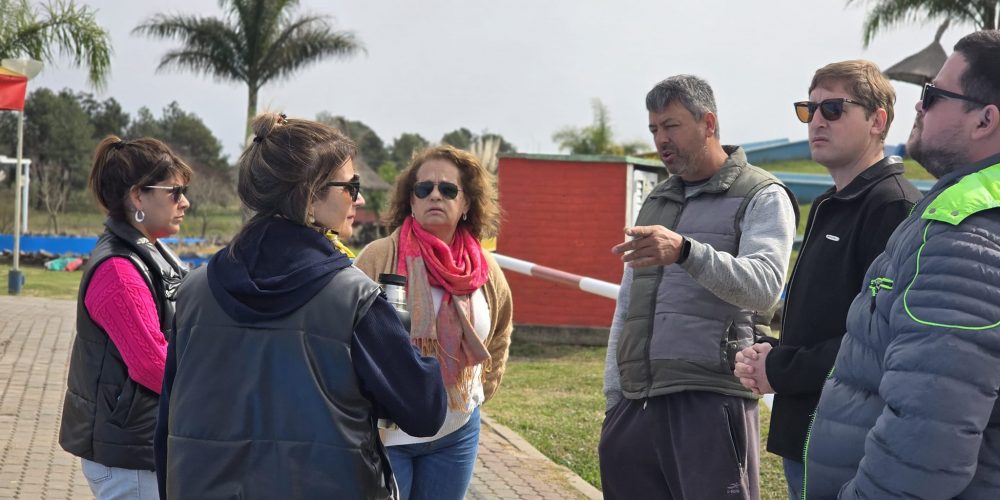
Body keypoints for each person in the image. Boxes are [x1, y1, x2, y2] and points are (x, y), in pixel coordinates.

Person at [154, 113, 448, 499]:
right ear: (310, 196)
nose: (358, 198)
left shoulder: (193, 292)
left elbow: (167, 432)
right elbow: (425, 410)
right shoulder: (353, 298)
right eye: (351, 186)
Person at [804, 30, 1000, 499]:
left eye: (932, 95)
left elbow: (926, 440)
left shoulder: (965, 239)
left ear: (985, 120)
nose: (917, 106)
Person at [600, 74, 798, 499]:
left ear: (708, 123)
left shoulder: (761, 194)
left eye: (671, 126)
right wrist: (614, 399)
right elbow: (627, 303)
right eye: (654, 129)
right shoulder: (658, 199)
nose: (660, 139)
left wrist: (688, 252)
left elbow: (765, 288)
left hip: (710, 400)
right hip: (636, 405)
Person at [732, 60, 921, 499]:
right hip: (812, 432)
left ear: (878, 121)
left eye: (833, 109)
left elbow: (882, 338)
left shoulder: (891, 207)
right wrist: (774, 351)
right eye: (809, 108)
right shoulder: (830, 203)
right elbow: (829, 318)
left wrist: (779, 367)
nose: (816, 120)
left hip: (849, 441)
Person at [354, 145, 513, 500]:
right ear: (410, 201)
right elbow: (347, 335)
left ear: (467, 202)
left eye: (448, 189)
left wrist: (481, 392)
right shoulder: (379, 256)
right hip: (388, 437)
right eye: (423, 189)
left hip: (456, 436)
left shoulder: (485, 268)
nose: (435, 196)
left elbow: (500, 332)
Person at [59, 136, 193, 500]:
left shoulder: (149, 247)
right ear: (137, 196)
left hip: (143, 445)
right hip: (129, 458)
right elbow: (153, 364)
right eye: (174, 192)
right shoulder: (119, 270)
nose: (185, 202)